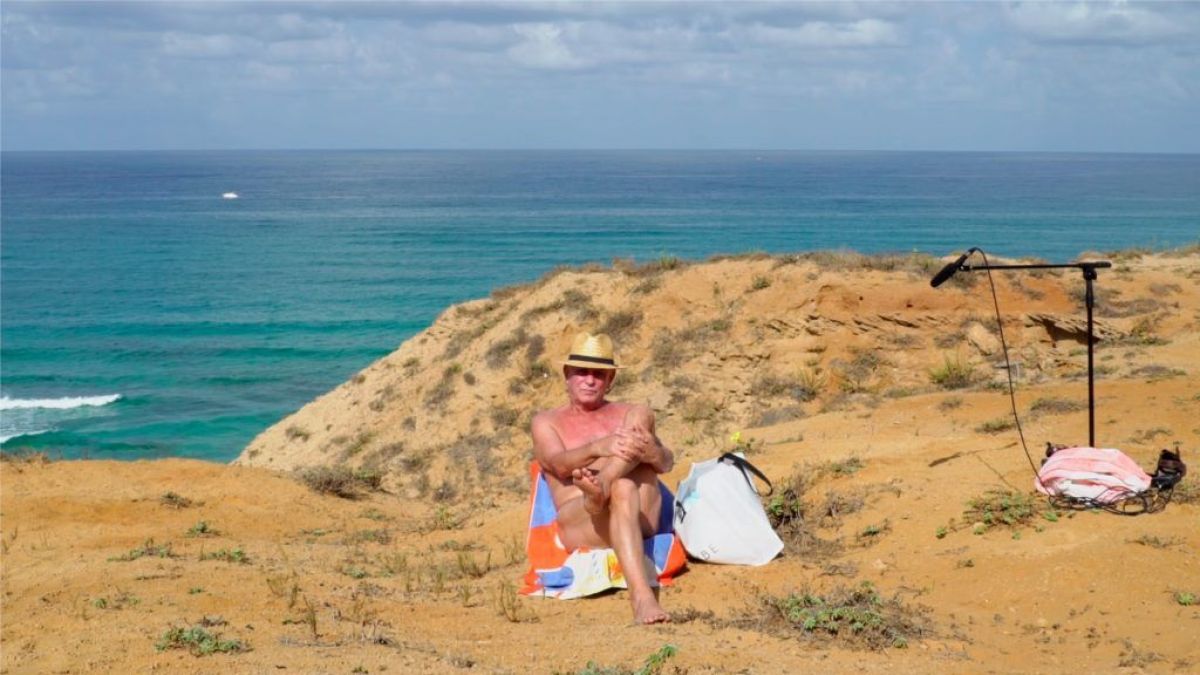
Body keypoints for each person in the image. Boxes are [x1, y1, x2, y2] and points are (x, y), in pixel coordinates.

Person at [530, 332, 675, 624]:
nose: (590, 380)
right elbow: (557, 465)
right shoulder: (546, 421)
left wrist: (653, 452)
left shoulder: (629, 413)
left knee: (624, 478)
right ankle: (642, 598)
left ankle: (604, 483)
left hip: (640, 514)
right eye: (581, 372)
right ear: (567, 375)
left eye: (598, 374)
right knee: (623, 486)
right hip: (582, 518)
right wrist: (598, 448)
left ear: (610, 380)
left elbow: (667, 463)